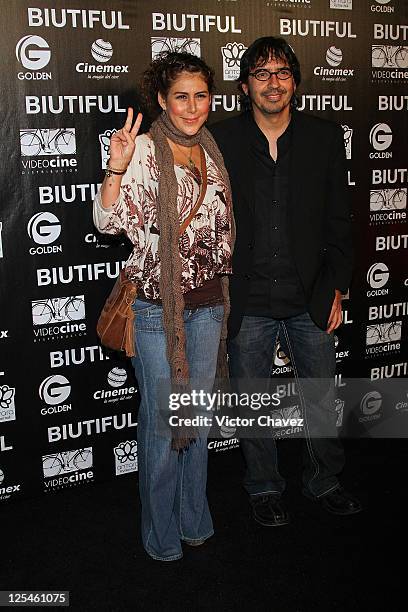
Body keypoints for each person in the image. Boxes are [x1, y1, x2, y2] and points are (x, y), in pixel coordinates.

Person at [210, 36, 362, 527]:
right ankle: (263, 486)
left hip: (310, 293)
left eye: (281, 73)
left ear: (295, 81)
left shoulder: (323, 137)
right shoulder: (222, 140)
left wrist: (337, 287)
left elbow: (340, 219)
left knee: (320, 396)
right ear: (245, 85)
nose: (272, 83)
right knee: (252, 403)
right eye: (261, 73)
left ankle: (323, 481)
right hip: (248, 298)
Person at [93, 52, 234, 561]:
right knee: (161, 424)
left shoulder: (214, 151)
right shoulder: (146, 150)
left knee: (193, 418)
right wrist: (117, 164)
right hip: (156, 312)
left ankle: (194, 519)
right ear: (161, 100)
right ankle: (162, 537)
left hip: (207, 306)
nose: (192, 107)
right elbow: (108, 223)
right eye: (181, 96)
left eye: (201, 95)